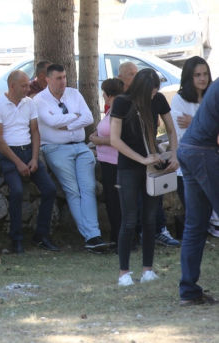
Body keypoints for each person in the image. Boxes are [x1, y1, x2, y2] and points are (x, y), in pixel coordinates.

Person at [110, 68, 178, 287]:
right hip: (129, 167)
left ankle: (148, 270)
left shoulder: (157, 99)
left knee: (150, 221)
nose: (153, 96)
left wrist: (174, 155)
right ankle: (124, 273)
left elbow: (171, 128)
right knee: (129, 221)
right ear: (141, 88)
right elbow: (114, 140)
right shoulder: (122, 103)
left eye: (155, 92)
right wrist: (142, 159)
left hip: (153, 166)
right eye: (150, 92)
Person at [35, 64, 109, 253]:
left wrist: (66, 125)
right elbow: (50, 122)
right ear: (48, 80)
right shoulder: (39, 100)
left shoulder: (74, 94)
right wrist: (74, 117)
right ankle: (92, 236)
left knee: (89, 188)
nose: (63, 82)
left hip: (81, 148)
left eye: (65, 77)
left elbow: (89, 118)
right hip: (56, 149)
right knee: (73, 191)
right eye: (58, 78)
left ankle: (93, 236)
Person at [0, 70, 58, 254]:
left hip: (28, 151)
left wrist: (34, 158)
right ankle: (16, 239)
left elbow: (35, 132)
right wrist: (18, 163)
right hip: (9, 154)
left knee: (50, 189)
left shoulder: (29, 103)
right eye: (24, 86)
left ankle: (41, 236)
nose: (28, 89)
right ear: (12, 86)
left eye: (28, 84)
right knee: (17, 192)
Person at [176, 76, 219, 306]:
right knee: (195, 225)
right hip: (202, 151)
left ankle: (189, 292)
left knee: (195, 224)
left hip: (189, 149)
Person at [170, 56, 213, 238]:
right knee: (194, 210)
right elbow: (184, 133)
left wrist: (194, 121)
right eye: (197, 75)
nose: (202, 78)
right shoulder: (179, 100)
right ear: (189, 77)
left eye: (205, 74)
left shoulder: (213, 95)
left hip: (213, 161)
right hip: (188, 164)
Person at [89, 78, 125, 249]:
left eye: (103, 91)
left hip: (116, 162)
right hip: (106, 162)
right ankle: (115, 237)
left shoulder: (120, 109)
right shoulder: (111, 109)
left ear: (109, 93)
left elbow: (118, 138)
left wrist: (98, 140)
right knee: (111, 202)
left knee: (117, 203)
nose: (102, 94)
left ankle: (122, 240)